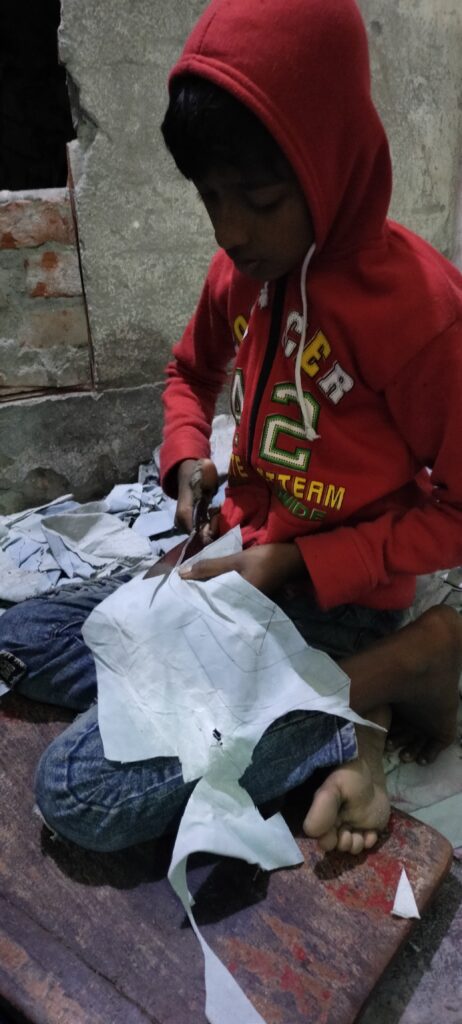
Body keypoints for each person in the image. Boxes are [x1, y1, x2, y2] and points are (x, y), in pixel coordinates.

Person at [1, 0, 462, 857]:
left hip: (342, 606)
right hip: (234, 572)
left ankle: (399, 665)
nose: (229, 230)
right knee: (15, 640)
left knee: (76, 793)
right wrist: (185, 460)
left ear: (331, 164)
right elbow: (189, 374)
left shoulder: (422, 315)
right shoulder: (240, 273)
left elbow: (456, 511)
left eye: (258, 198)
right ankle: (313, 714)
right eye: (211, 197)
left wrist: (295, 560)